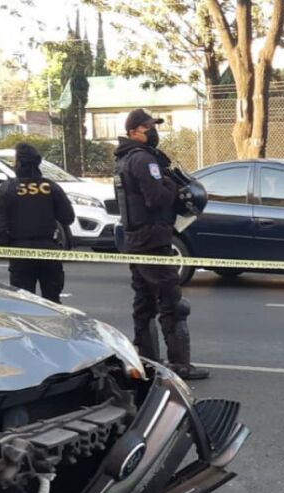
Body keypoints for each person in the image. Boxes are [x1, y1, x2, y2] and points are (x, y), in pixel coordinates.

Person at [114, 108, 207, 380]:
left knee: (143, 303)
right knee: (172, 304)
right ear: (133, 132)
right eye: (147, 128)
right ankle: (180, 365)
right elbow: (156, 198)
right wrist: (172, 186)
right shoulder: (143, 160)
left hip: (137, 240)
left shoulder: (124, 158)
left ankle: (145, 360)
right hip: (153, 240)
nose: (153, 132)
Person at [0, 142, 74, 303]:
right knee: (52, 303)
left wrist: (8, 247)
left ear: (19, 163)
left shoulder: (7, 189)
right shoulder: (51, 187)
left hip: (20, 252)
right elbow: (68, 217)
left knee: (24, 304)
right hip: (48, 251)